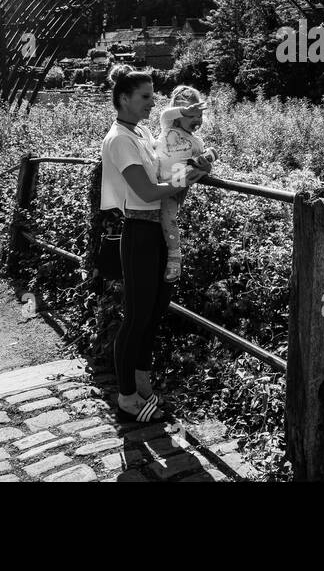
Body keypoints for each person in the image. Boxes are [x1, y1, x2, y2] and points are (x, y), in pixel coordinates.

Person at [101, 64, 204, 423]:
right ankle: (127, 397)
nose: (151, 103)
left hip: (157, 231)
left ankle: (142, 385)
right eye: (145, 97)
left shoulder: (142, 133)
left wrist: (194, 167)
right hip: (140, 234)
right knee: (136, 318)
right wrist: (191, 175)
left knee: (155, 311)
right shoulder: (120, 139)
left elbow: (166, 181)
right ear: (124, 98)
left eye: (152, 96)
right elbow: (147, 192)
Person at [153, 85, 218, 283]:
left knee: (168, 218)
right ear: (179, 115)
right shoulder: (168, 126)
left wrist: (206, 168)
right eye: (191, 115)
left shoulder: (197, 142)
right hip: (156, 179)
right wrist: (184, 110)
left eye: (199, 116)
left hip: (176, 183)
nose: (197, 120)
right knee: (155, 220)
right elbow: (165, 113)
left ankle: (174, 257)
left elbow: (200, 168)